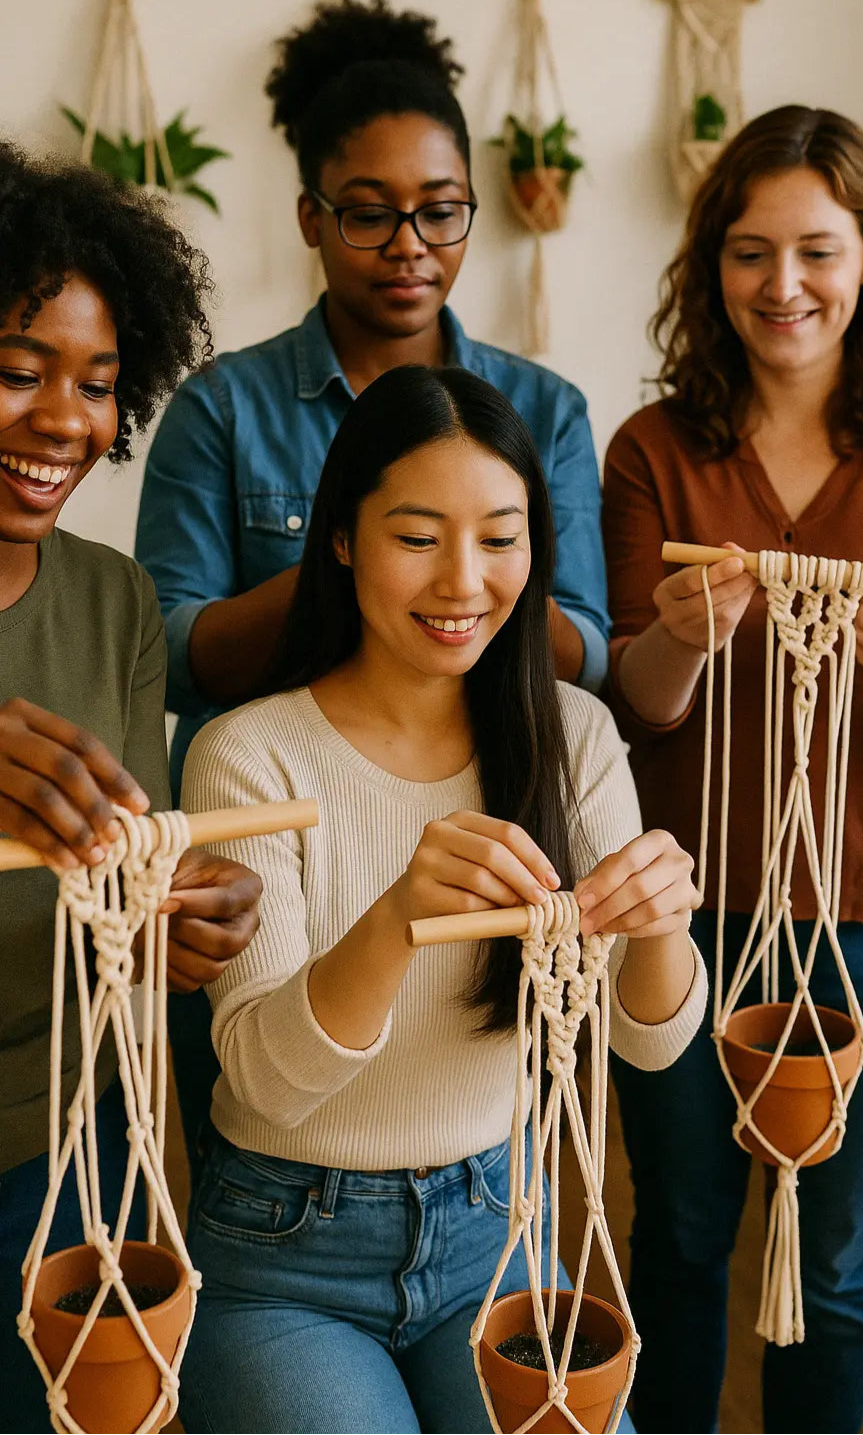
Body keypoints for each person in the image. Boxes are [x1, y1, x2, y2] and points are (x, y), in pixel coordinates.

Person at [178, 365, 705, 1435]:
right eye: (417, 536)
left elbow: (651, 1045)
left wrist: (659, 926)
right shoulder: (250, 755)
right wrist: (394, 916)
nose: (463, 580)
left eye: (500, 536)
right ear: (341, 538)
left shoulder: (572, 734)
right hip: (289, 1254)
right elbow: (268, 1083)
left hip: (502, 1229)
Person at [136, 0, 611, 1176]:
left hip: (476, 837)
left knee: (474, 1147)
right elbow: (172, 645)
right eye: (369, 213)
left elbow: (588, 646)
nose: (409, 243)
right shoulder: (222, 408)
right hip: (271, 858)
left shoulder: (541, 411)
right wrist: (355, 560)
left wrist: (443, 555)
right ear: (311, 216)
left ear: (471, 210)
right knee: (264, 1125)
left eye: (440, 211)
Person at [0, 116, 263, 1435]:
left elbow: (132, 866)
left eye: (100, 381)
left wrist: (186, 918)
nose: (65, 417)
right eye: (16, 368)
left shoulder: (113, 600)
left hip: (60, 1153)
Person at [602, 105, 863, 1435]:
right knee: (687, 1235)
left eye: (816, 249)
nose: (783, 286)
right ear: (710, 267)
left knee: (836, 1266)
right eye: (750, 252)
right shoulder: (655, 450)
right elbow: (631, 709)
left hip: (857, 919)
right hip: (683, 909)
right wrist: (682, 639)